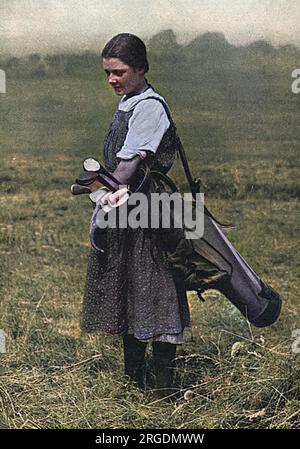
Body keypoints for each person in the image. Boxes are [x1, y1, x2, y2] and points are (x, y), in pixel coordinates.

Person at [81, 33, 191, 395]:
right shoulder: (130, 101)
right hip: (128, 208)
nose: (112, 79)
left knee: (156, 294)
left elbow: (128, 166)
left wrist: (100, 194)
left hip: (151, 213)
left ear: (141, 68)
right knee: (129, 291)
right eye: (108, 73)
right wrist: (96, 189)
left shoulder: (149, 107)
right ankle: (133, 380)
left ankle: (163, 390)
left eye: (119, 72)